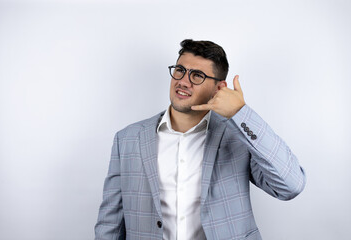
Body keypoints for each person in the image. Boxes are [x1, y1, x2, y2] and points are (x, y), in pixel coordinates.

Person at [94, 39, 306, 240]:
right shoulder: (128, 139)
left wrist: (240, 113)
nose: (183, 82)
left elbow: (290, 185)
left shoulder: (237, 137)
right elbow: (110, 223)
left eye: (197, 75)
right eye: (180, 71)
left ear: (219, 88)